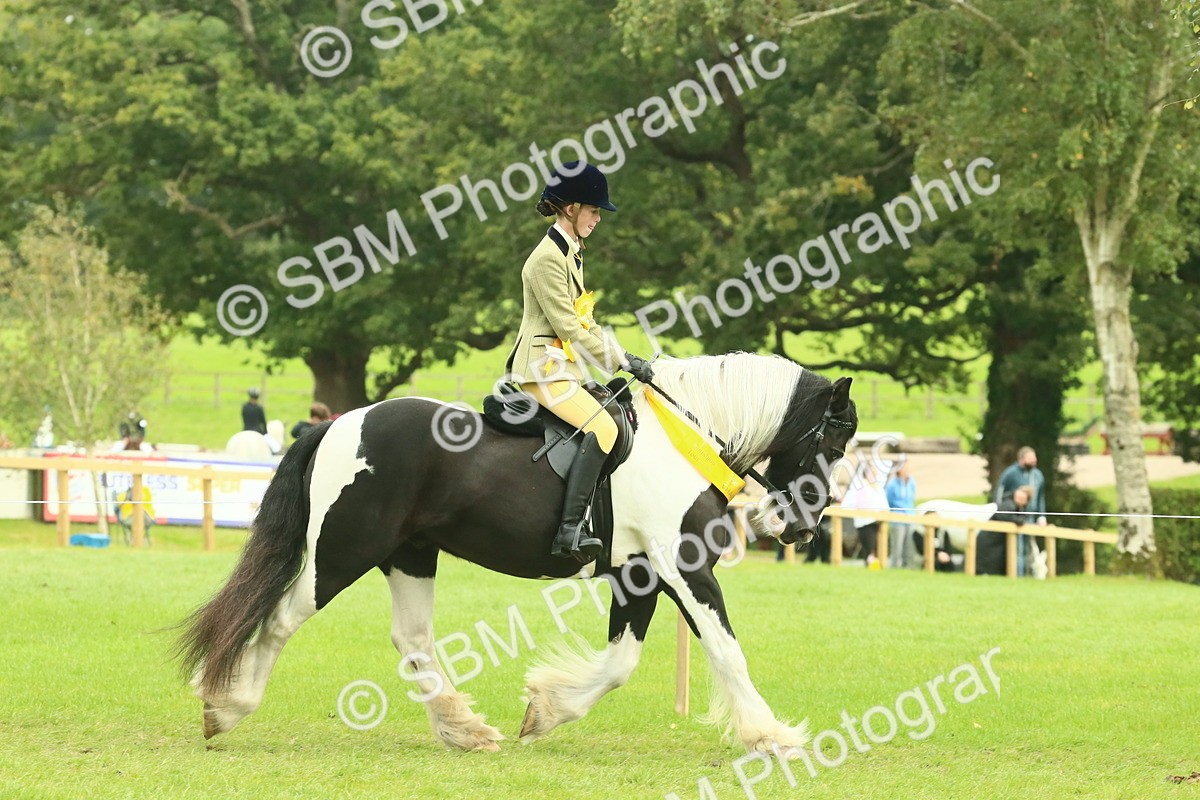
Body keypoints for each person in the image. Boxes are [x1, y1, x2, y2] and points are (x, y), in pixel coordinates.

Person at [504, 161, 655, 562]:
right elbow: (570, 329)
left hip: (561, 368)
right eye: (593, 210)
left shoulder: (570, 252)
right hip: (540, 369)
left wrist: (620, 358)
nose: (598, 218)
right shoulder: (547, 259)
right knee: (603, 428)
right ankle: (569, 531)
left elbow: (583, 324)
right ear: (570, 208)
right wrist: (624, 360)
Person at [994, 446, 1047, 575]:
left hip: (1031, 517)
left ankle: (1029, 575)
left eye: (1034, 458)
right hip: (1015, 517)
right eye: (1030, 458)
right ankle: (1017, 574)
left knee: (1030, 549)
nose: (1034, 461)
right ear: (1022, 459)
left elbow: (1040, 497)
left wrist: (1042, 516)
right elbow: (999, 494)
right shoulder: (1010, 473)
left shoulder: (1038, 475)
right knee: (1017, 548)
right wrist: (1001, 511)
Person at [976, 485, 1032, 576]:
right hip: (989, 541)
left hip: (995, 542)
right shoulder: (1008, 504)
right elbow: (1004, 516)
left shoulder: (1017, 507)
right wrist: (1019, 520)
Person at [842, 462, 889, 567]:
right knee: (869, 548)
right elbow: (850, 503)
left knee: (878, 547)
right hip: (864, 522)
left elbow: (884, 505)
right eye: (872, 471)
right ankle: (871, 566)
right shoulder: (860, 485)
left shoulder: (878, 487)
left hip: (878, 521)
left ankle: (875, 567)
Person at [884, 461, 917, 568]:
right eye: (905, 468)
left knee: (909, 547)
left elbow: (912, 498)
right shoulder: (892, 484)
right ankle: (894, 568)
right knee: (897, 547)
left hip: (910, 517)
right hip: (897, 519)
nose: (908, 470)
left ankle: (907, 568)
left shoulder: (911, 482)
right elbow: (889, 500)